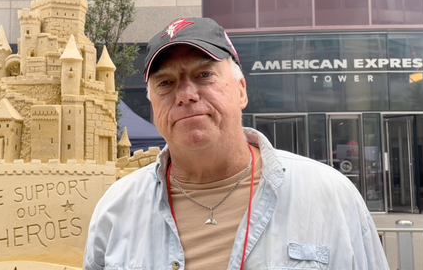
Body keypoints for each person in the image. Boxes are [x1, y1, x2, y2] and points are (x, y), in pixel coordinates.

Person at [83, 17, 389, 269]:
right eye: (165, 83)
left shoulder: (329, 196)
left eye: (204, 75)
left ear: (241, 91)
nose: (185, 94)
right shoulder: (116, 209)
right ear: (152, 103)